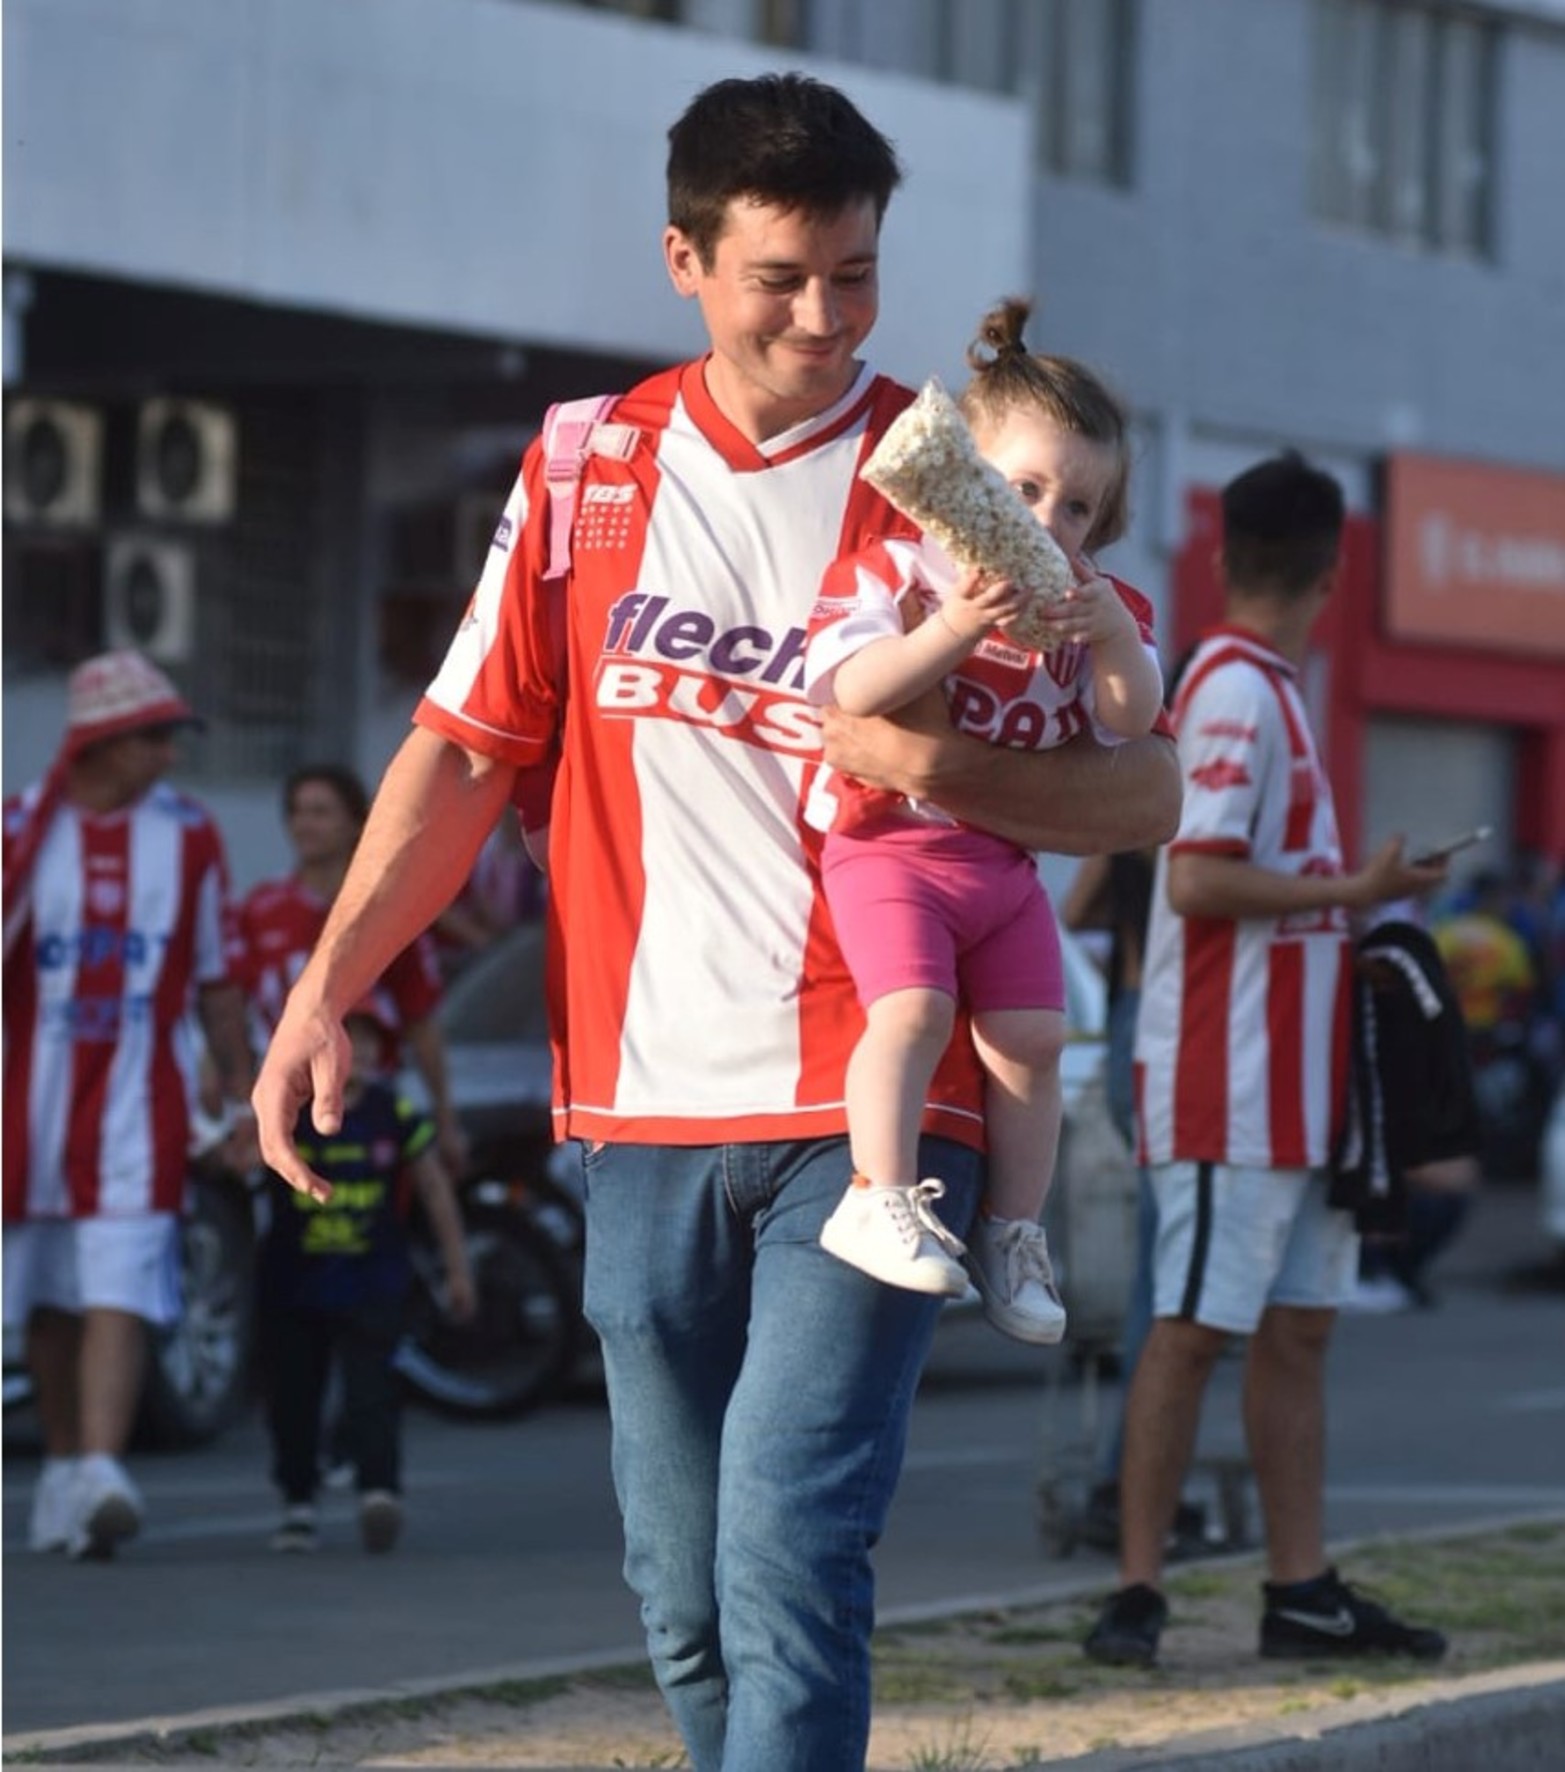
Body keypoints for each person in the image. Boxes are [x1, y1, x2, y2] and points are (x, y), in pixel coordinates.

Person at [253, 73, 1179, 1771]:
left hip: (878, 1097)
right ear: (683, 257)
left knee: (788, 1551)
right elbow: (462, 758)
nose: (826, 318)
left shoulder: (954, 477)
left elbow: (1144, 797)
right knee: (679, 1586)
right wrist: (326, 990)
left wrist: (921, 752)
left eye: (857, 274)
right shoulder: (581, 466)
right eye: (782, 278)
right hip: (635, 1102)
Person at [1084, 453, 1451, 1669]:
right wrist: (1358, 887)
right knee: (1190, 1329)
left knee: (1291, 1332)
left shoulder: (1255, 686)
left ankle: (1298, 1590)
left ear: (1223, 554)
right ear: (1333, 573)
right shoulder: (1239, 689)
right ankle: (1134, 1589)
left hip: (1289, 1095)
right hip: (1223, 1085)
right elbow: (1191, 874)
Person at [803, 299, 1163, 1341]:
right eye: (1025, 491)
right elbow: (854, 687)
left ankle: (1011, 1234)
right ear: (961, 478)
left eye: (1079, 509)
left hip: (1002, 868)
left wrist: (1107, 642)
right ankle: (875, 1192)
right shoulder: (894, 572)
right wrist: (957, 622)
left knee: (1035, 1038)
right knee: (909, 1015)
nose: (1049, 527)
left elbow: (1129, 724)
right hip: (888, 847)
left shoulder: (1100, 608)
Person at [2, 650, 253, 1560]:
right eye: (155, 737)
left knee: (120, 1283)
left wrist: (240, 1092)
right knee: (50, 1303)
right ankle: (68, 1467)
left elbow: (220, 979)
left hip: (141, 1108)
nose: (169, 755)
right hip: (29, 1111)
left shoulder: (188, 837)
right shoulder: (22, 832)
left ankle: (105, 1467)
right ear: (103, 741)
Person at [260, 1001, 474, 1554]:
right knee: (293, 1396)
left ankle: (378, 1492)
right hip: (294, 1282)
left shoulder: (393, 1113)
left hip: (373, 1280)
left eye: (370, 1042)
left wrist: (458, 1269)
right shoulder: (288, 1109)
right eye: (347, 1039)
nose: (359, 1053)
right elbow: (241, 1166)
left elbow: (433, 1190)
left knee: (373, 1392)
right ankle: (297, 1504)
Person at [237, 764, 468, 1179]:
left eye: (320, 812)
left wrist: (445, 1118)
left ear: (356, 823)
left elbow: (421, 1022)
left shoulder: (390, 910)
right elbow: (232, 1010)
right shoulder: (261, 907)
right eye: (297, 812)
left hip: (365, 1105)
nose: (304, 824)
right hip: (284, 1103)